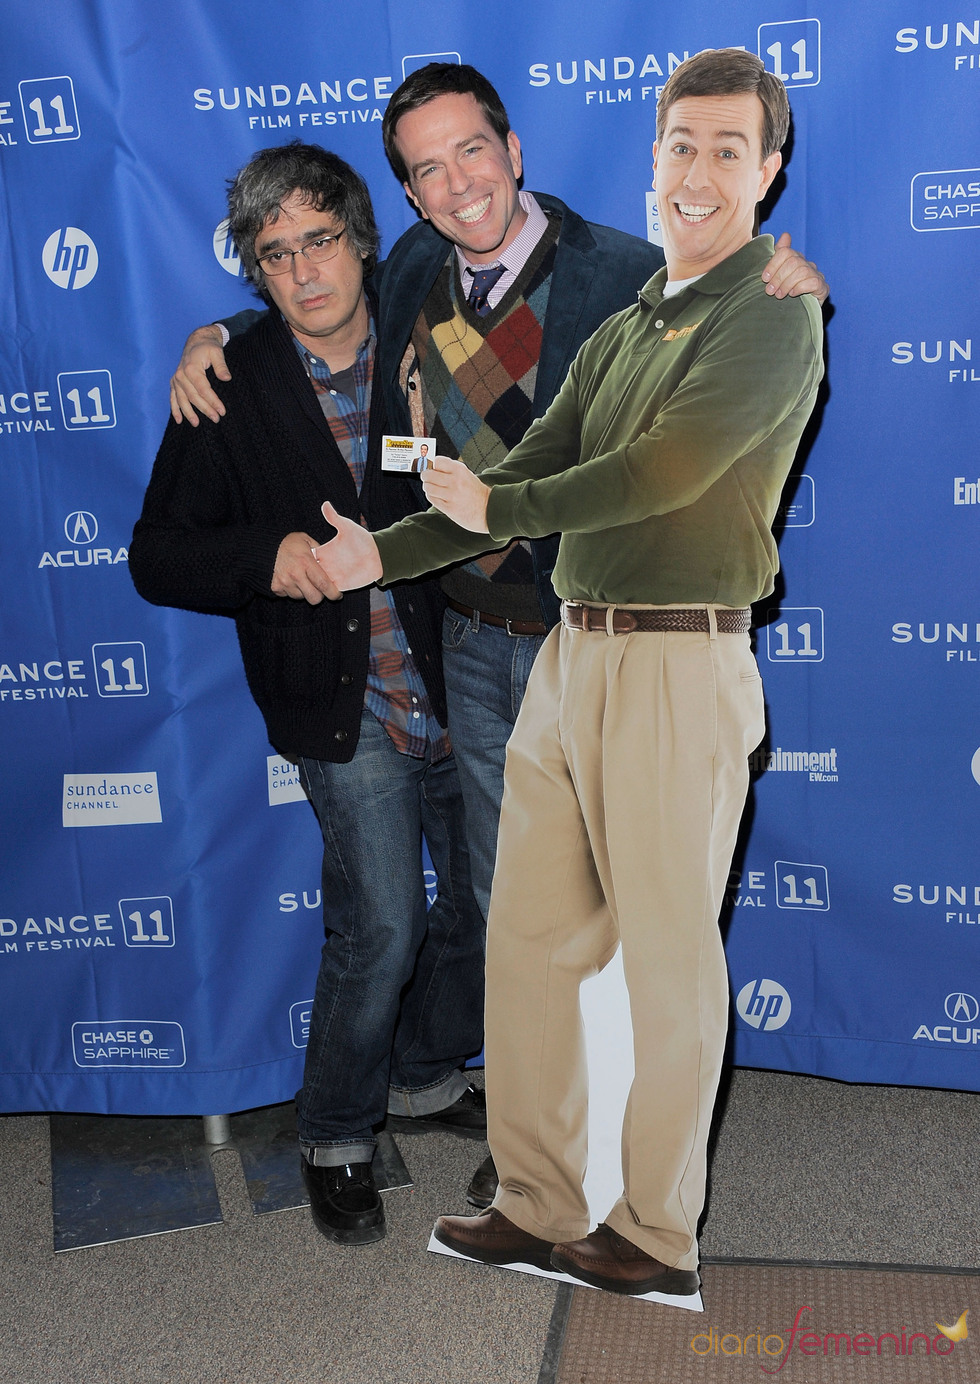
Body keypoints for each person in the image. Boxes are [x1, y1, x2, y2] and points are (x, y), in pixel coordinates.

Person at [166, 62, 828, 1211]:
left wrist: (787, 275)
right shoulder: (411, 272)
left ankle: (620, 1178)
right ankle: (538, 1149)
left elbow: (687, 387)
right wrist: (211, 333)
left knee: (633, 925)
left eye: (470, 150)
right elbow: (308, 298)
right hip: (470, 644)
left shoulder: (625, 274)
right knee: (518, 916)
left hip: (609, 637)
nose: (456, 183)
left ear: (513, 151)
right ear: (408, 199)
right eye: (426, 169)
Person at [129, 143, 486, 1248]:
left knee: (485, 908)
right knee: (380, 923)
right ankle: (333, 1132)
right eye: (274, 254)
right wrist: (264, 556)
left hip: (465, 683)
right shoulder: (227, 384)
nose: (302, 271)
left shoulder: (432, 333)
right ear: (254, 269)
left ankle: (421, 1070)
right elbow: (155, 556)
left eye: (319, 241)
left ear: (362, 240)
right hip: (343, 705)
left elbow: (538, 260)